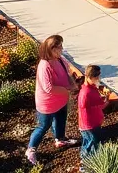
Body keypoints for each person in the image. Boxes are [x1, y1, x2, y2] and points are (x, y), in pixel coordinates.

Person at [25, 34, 78, 164]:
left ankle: (60, 139)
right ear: (52, 49)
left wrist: (73, 84)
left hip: (61, 100)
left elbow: (67, 72)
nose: (62, 49)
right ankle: (31, 150)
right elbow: (48, 88)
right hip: (47, 104)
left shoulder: (59, 59)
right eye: (59, 47)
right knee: (43, 126)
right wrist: (67, 89)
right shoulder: (44, 65)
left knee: (60, 119)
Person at [78, 64, 109, 158]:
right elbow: (100, 105)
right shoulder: (87, 93)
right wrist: (106, 100)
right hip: (90, 126)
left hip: (90, 124)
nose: (98, 79)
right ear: (90, 77)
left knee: (88, 143)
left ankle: (84, 159)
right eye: (96, 77)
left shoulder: (89, 88)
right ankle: (87, 163)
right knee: (93, 146)